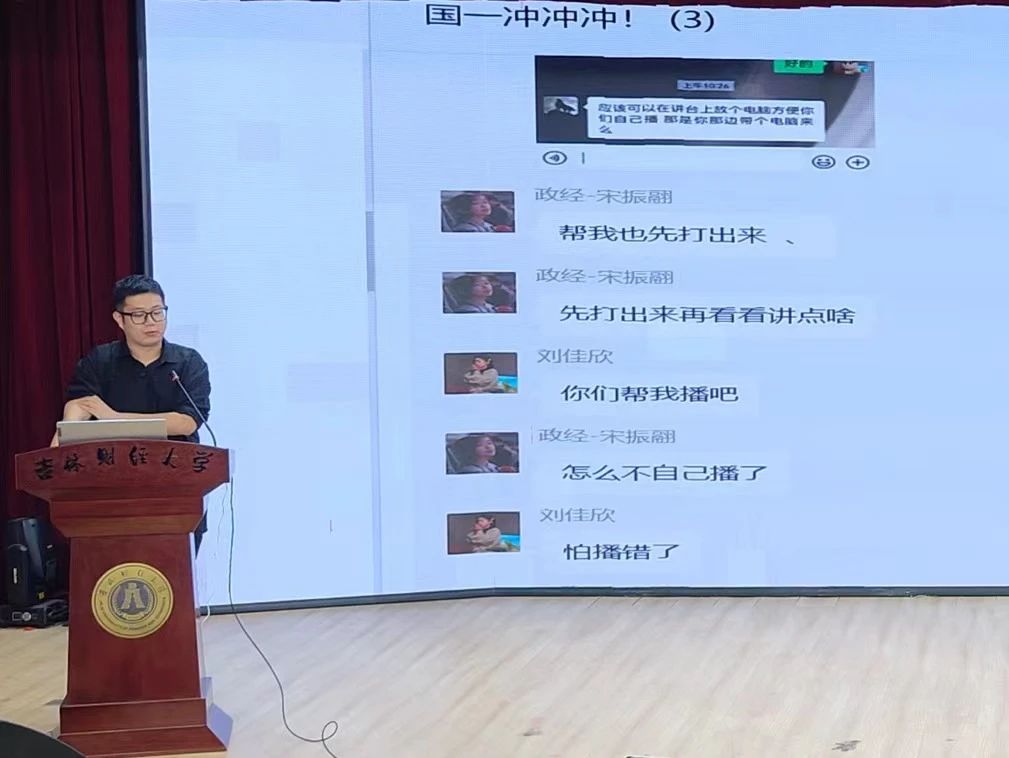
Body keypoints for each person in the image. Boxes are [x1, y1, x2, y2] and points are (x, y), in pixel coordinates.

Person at [53, 274, 212, 554]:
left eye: (157, 312)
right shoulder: (100, 361)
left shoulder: (188, 363)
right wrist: (61, 440)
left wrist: (114, 418)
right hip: (112, 489)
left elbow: (186, 422)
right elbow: (80, 405)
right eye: (139, 315)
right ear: (119, 319)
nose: (151, 322)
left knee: (174, 575)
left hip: (177, 489)